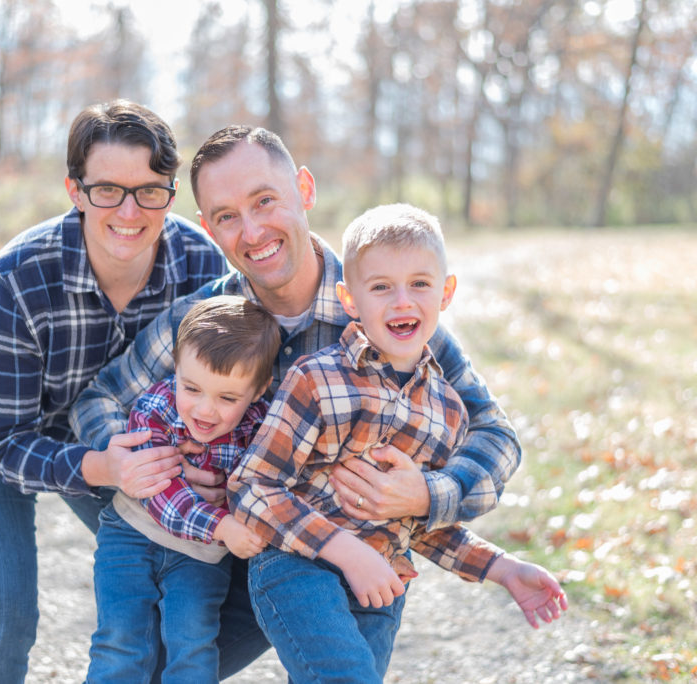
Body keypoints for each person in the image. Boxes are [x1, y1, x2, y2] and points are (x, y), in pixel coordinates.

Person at [70, 125, 524, 676]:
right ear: (209, 228)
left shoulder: (382, 307)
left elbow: (495, 435)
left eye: (265, 200)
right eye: (227, 215)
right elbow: (99, 399)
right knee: (150, 668)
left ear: (304, 191)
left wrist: (426, 492)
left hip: (348, 564)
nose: (253, 229)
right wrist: (140, 460)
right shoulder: (208, 323)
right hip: (227, 549)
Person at [0, 100, 229, 683]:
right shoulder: (19, 275)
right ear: (75, 190)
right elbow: (4, 443)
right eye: (108, 189)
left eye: (150, 191)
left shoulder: (200, 265)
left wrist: (199, 463)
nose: (130, 211)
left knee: (193, 582)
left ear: (170, 193)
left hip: (111, 435)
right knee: (4, 614)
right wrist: (104, 469)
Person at [227, 203, 568, 681]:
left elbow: (417, 522)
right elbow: (251, 487)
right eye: (381, 287)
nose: (402, 301)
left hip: (381, 590)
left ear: (446, 292)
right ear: (350, 300)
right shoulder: (317, 381)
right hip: (299, 569)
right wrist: (348, 551)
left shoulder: (447, 411)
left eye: (420, 284)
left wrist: (502, 568)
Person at [87, 295, 278, 683]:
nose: (205, 411)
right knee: (121, 642)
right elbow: (159, 492)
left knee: (193, 648)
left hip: (200, 557)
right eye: (191, 388)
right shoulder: (155, 406)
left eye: (227, 397)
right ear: (176, 369)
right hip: (132, 535)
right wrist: (223, 526)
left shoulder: (262, 428)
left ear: (259, 391)